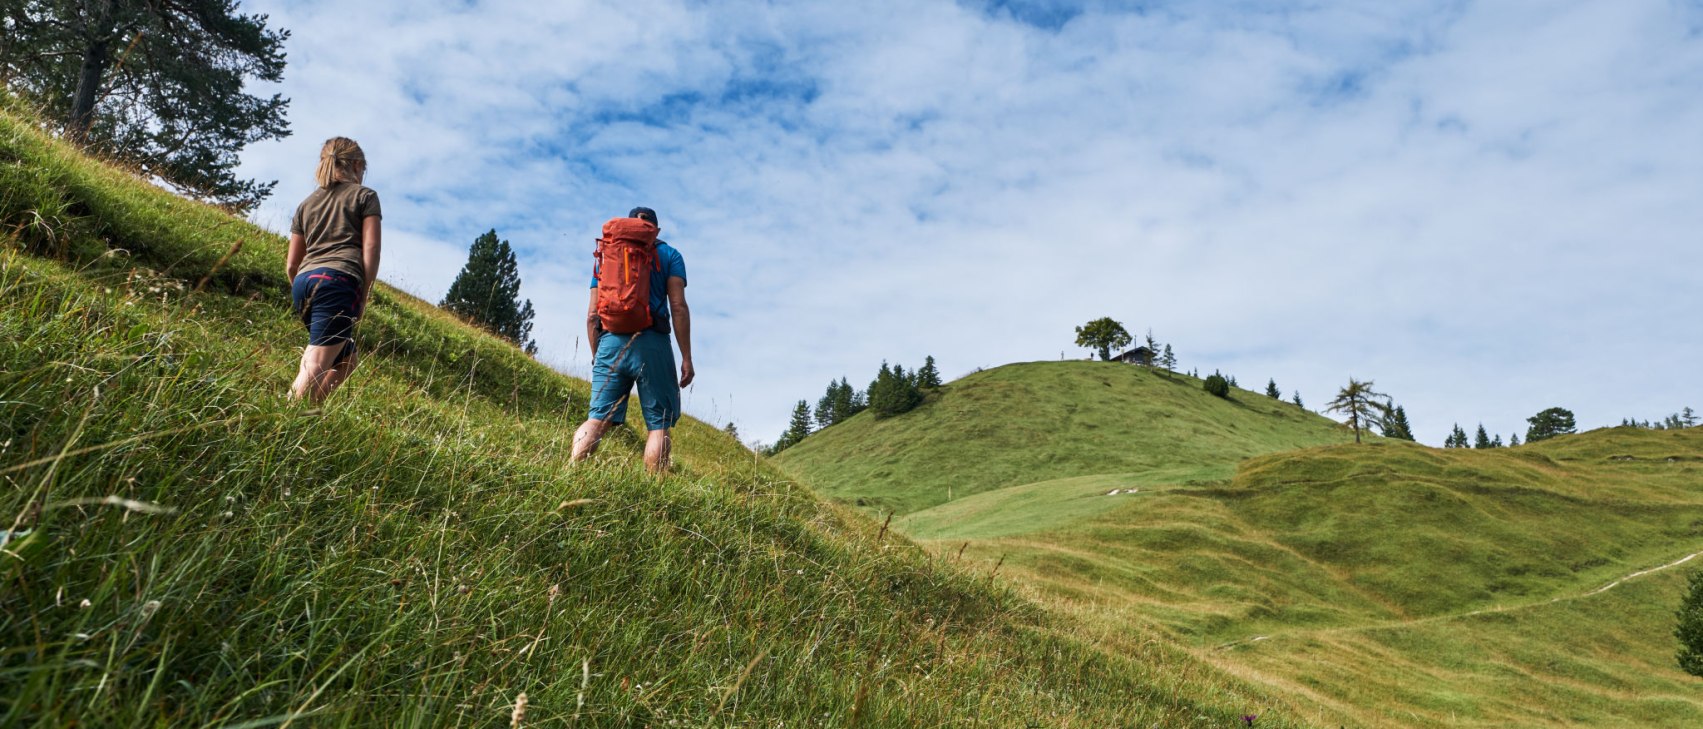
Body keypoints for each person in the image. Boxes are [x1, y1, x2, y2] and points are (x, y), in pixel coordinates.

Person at [571, 206, 693, 473]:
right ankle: (655, 489)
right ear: (656, 230)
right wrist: (686, 357)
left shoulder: (606, 254)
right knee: (659, 424)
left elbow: (593, 315)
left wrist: (597, 354)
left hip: (611, 340)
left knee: (596, 419)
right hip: (652, 342)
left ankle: (571, 474)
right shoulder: (670, 255)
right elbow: (678, 307)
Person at [285, 137, 381, 403]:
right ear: (357, 165)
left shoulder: (306, 205)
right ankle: (280, 422)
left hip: (304, 282)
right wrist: (363, 293)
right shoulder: (365, 196)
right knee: (315, 363)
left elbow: (292, 263)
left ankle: (309, 415)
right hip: (340, 281)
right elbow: (371, 249)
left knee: (346, 359)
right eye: (363, 170)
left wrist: (302, 290)